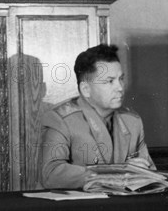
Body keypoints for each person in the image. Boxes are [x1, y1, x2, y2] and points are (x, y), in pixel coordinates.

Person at [40, 44, 155, 188]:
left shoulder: (132, 121)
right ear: (86, 89)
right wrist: (115, 173)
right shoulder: (59, 119)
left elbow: (150, 171)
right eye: (109, 81)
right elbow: (51, 174)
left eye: (121, 79)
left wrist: (143, 172)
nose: (120, 88)